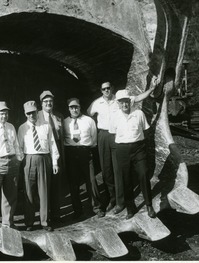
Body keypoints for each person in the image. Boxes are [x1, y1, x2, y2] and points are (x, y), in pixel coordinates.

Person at [87, 79, 157, 214]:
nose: (106, 90)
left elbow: (139, 97)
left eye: (108, 88)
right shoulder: (97, 103)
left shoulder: (122, 100)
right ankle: (114, 200)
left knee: (121, 171)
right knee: (107, 170)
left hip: (123, 139)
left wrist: (152, 88)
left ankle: (122, 202)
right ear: (101, 91)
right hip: (106, 135)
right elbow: (88, 114)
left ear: (111, 88)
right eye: (103, 89)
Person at [114, 89, 156, 219]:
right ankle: (130, 208)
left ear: (130, 102)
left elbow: (146, 130)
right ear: (118, 104)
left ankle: (149, 205)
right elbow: (112, 132)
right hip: (122, 150)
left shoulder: (139, 113)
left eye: (126, 102)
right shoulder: (114, 116)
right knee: (126, 179)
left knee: (143, 174)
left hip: (138, 149)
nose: (124, 105)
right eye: (122, 103)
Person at [18, 100, 59, 231]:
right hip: (29, 159)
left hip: (44, 158)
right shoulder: (22, 128)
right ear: (25, 114)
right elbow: (18, 147)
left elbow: (53, 144)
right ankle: (29, 222)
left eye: (33, 113)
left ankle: (44, 222)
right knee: (29, 192)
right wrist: (22, 162)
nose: (31, 116)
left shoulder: (46, 126)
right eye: (28, 113)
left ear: (37, 112)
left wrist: (54, 162)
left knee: (44, 191)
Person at [0, 101, 24, 228]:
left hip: (12, 162)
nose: (4, 116)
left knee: (10, 193)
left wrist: (18, 159)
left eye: (6, 113)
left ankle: (7, 221)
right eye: (1, 113)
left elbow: (16, 145)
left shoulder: (11, 127)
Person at [64, 98, 105, 219]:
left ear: (80, 107)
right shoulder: (65, 122)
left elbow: (93, 138)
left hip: (85, 152)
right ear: (69, 109)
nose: (74, 109)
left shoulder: (89, 121)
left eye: (76, 107)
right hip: (71, 153)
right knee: (74, 183)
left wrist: (85, 147)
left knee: (91, 180)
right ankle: (77, 211)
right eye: (72, 107)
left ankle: (97, 207)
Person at [37, 90, 64, 222]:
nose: (49, 103)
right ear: (41, 103)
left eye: (50, 101)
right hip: (45, 152)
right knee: (44, 185)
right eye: (46, 101)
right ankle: (45, 214)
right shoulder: (37, 116)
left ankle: (56, 214)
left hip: (58, 150)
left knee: (57, 184)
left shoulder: (58, 116)